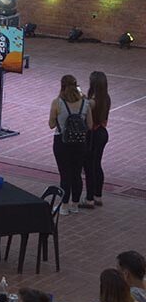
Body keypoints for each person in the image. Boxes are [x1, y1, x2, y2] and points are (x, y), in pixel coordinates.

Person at [48, 74, 93, 215]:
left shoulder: (57, 102)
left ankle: (64, 206)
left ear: (62, 86)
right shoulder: (85, 103)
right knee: (76, 174)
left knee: (65, 174)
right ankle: (75, 204)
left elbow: (51, 124)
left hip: (62, 142)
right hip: (80, 143)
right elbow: (90, 125)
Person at [81, 71, 110, 209]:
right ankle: (98, 195)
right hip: (103, 133)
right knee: (97, 164)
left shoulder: (91, 102)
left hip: (92, 135)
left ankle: (89, 199)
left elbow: (85, 112)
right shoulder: (106, 98)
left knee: (89, 167)